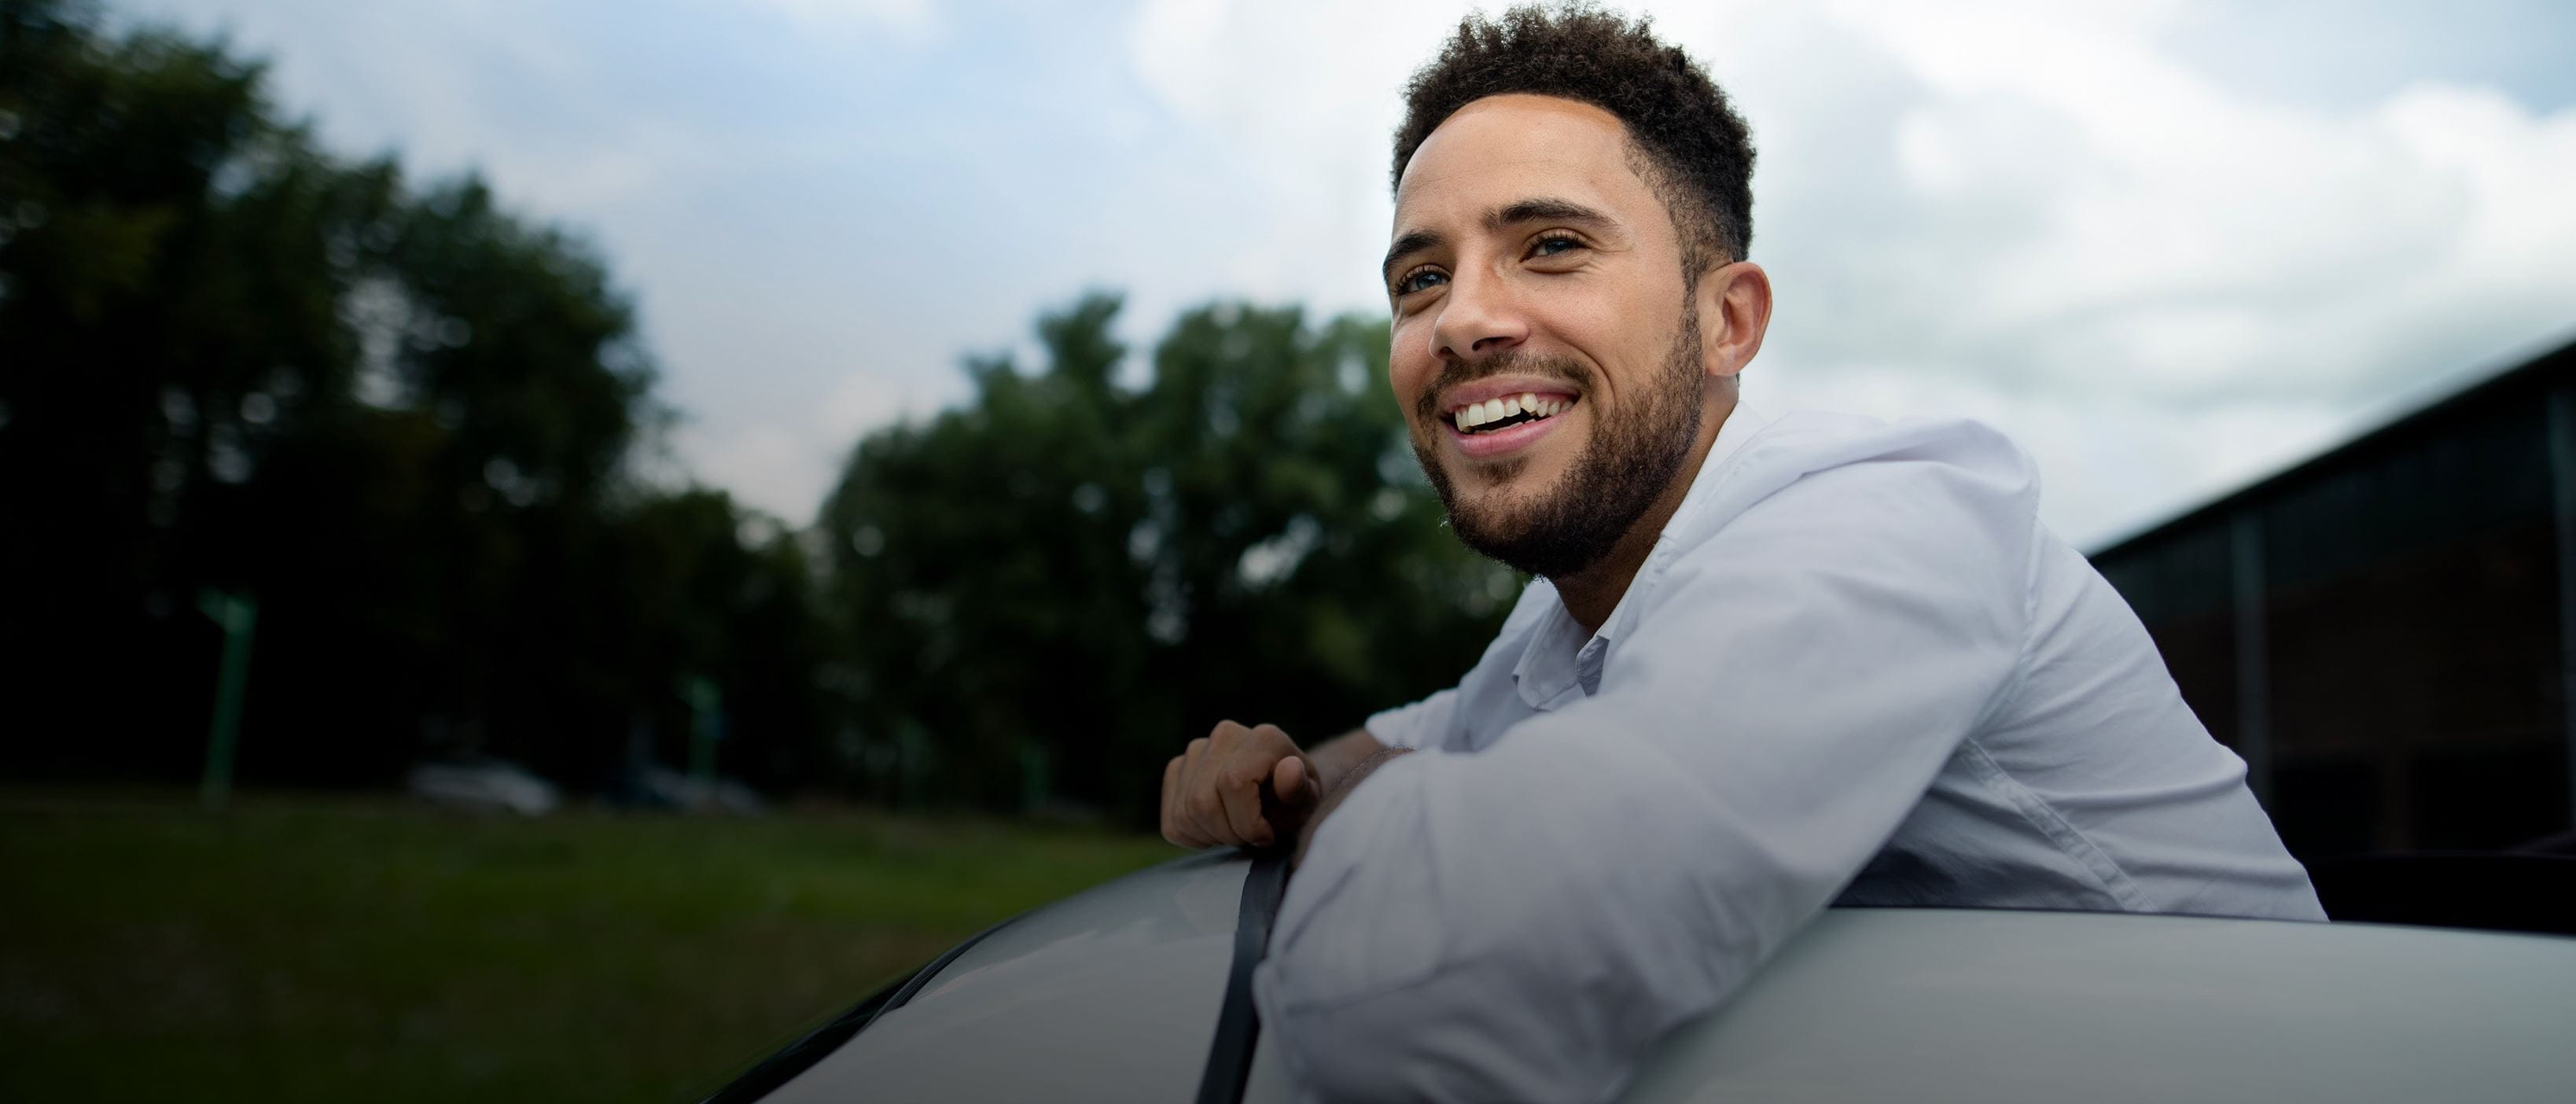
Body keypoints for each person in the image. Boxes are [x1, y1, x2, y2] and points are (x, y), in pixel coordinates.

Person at [1157, 7, 2324, 1101]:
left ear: (1729, 323)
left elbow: (1416, 990)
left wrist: (1373, 836)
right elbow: (1426, 735)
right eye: (1421, 279)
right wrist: (1283, 783)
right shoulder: (1572, 617)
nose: (1462, 318)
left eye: (1551, 245)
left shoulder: (1886, 525)